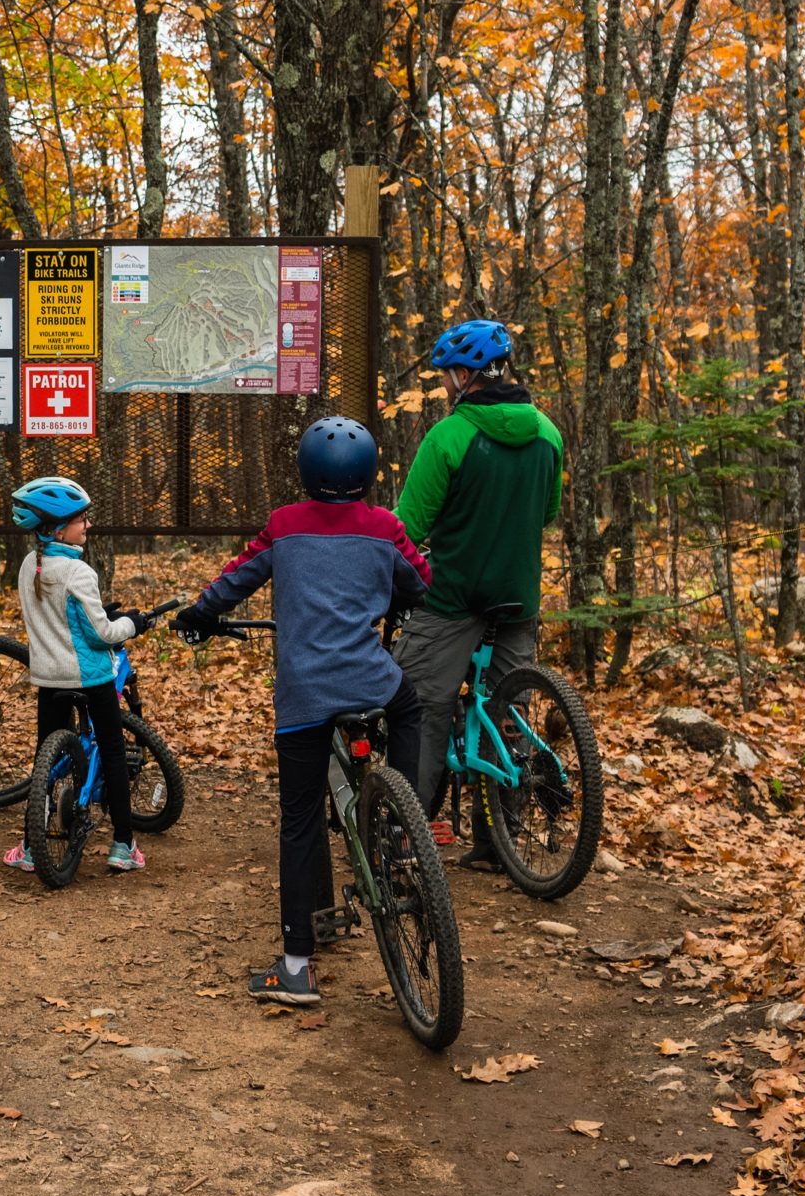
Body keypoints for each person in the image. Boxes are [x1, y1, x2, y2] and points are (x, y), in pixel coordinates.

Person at [174, 416, 428, 1008]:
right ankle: (405, 823)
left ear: (306, 472)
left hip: (305, 694)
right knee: (411, 709)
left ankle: (296, 967)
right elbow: (422, 581)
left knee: (299, 820)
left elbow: (234, 580)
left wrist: (199, 614)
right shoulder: (385, 527)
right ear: (367, 474)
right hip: (372, 681)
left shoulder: (284, 526)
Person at [390, 320, 565, 853]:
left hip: (452, 599)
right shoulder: (548, 433)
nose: (445, 384)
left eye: (447, 375)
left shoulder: (449, 436)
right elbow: (549, 513)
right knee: (506, 709)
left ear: (465, 375)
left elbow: (406, 529)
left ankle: (403, 832)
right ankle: (501, 840)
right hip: (518, 599)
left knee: (420, 706)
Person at [7, 475, 158, 875]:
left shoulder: (28, 566)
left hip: (48, 678)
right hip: (89, 679)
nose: (88, 525)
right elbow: (102, 635)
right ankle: (124, 845)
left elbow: (60, 617)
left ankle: (28, 847)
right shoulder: (79, 572)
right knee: (111, 752)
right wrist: (131, 623)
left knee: (45, 757)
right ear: (58, 528)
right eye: (81, 519)